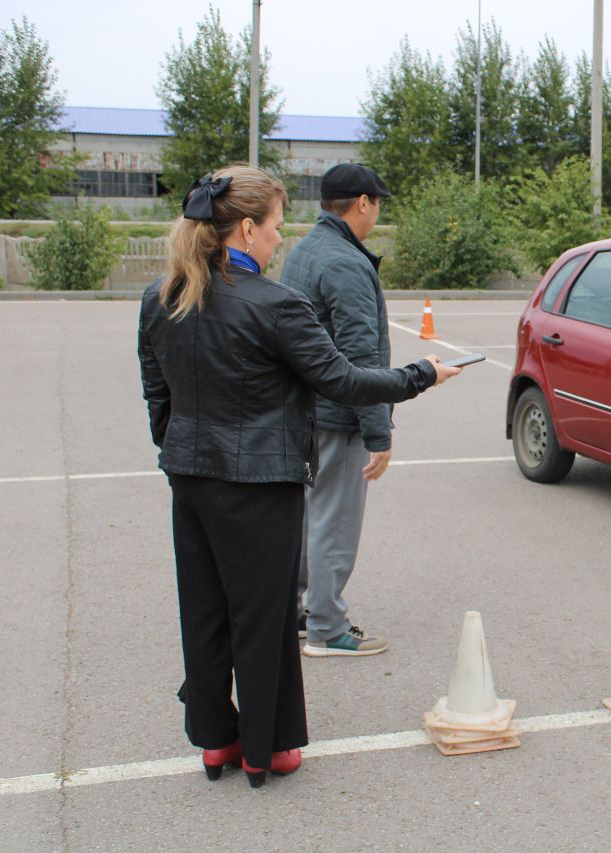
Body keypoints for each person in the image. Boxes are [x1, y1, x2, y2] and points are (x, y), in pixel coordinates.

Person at [137, 164, 460, 788]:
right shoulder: (274, 304)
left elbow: (158, 397)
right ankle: (266, 748)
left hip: (191, 479)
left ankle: (215, 741)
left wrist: (184, 450)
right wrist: (422, 374)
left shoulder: (161, 296)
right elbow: (343, 378)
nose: (281, 238)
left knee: (203, 612)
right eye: (277, 227)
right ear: (247, 229)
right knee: (264, 620)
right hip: (261, 485)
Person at [280, 162, 398, 658]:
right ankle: (328, 627)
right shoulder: (347, 263)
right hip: (341, 411)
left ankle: (305, 611)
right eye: (378, 203)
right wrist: (379, 432)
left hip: (306, 406)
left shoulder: (305, 250)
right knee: (337, 517)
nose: (378, 212)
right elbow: (360, 354)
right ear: (363, 203)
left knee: (312, 511)